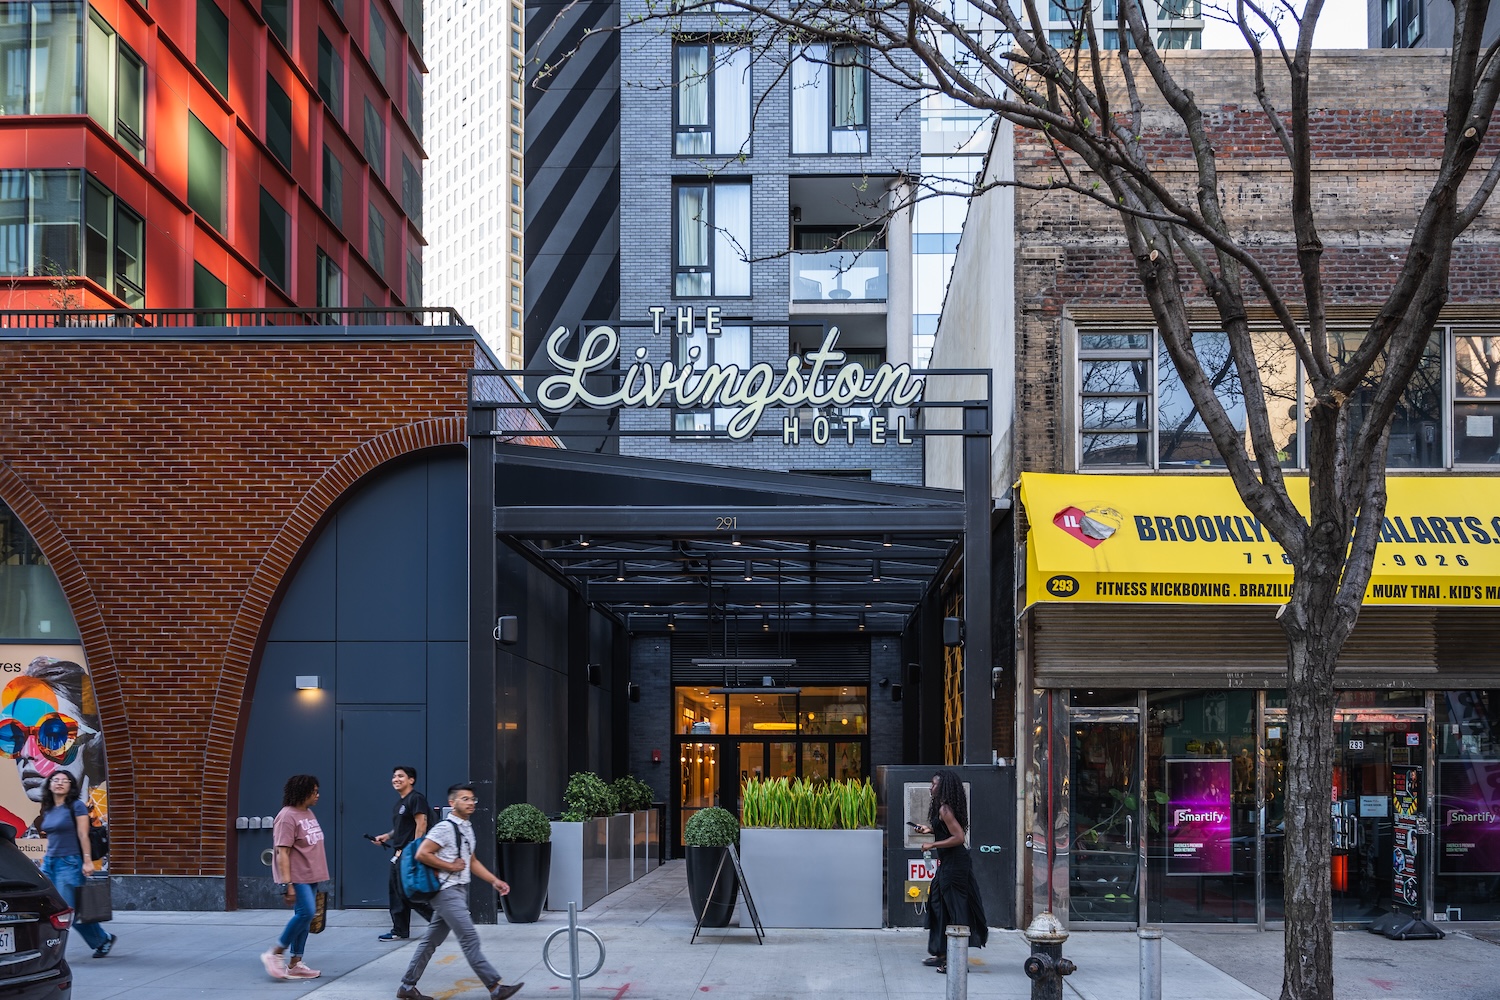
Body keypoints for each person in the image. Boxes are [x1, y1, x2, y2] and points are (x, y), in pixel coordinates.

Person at [395, 783, 523, 1000]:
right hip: (446, 892)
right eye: (465, 799)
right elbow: (422, 853)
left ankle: (407, 986)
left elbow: (472, 861)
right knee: (469, 938)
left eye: (472, 799)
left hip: (458, 890)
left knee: (430, 941)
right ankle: (495, 987)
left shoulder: (466, 828)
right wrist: (450, 866)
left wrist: (494, 881)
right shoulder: (444, 828)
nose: (471, 803)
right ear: (452, 803)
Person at [0, 657, 108, 836]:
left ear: (93, 741)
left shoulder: (120, 837)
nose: (26, 753)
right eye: (16, 736)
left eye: (53, 734)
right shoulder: (17, 840)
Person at [912, 768, 988, 974]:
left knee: (955, 910)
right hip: (949, 864)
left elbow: (959, 838)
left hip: (955, 865)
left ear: (943, 786)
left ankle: (957, 960)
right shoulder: (944, 808)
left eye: (934, 784)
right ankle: (942, 953)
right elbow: (947, 830)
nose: (931, 787)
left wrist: (932, 845)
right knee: (938, 904)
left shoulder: (945, 808)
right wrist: (929, 830)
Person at [34, 770, 115, 957]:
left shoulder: (76, 806)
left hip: (69, 863)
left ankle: (60, 950)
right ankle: (101, 939)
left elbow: (83, 835)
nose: (59, 783)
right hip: (50, 863)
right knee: (51, 908)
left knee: (66, 911)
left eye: (65, 780)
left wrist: (87, 861)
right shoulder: (49, 807)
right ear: (49, 784)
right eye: (56, 780)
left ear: (71, 785)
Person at [262, 774, 328, 981]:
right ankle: (275, 952)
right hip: (297, 876)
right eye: (314, 791)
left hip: (311, 875)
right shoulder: (286, 817)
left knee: (306, 917)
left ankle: (295, 963)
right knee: (306, 912)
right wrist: (288, 883)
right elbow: (282, 852)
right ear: (303, 792)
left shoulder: (308, 813)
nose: (318, 795)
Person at [373, 765, 433, 941]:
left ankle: (439, 919)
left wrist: (415, 851)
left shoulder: (416, 798)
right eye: (394, 776)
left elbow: (421, 824)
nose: (396, 779)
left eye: (400, 776)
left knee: (409, 893)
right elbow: (402, 827)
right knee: (397, 893)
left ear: (411, 780)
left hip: (408, 854)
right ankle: (399, 930)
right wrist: (387, 836)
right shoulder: (399, 804)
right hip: (399, 853)